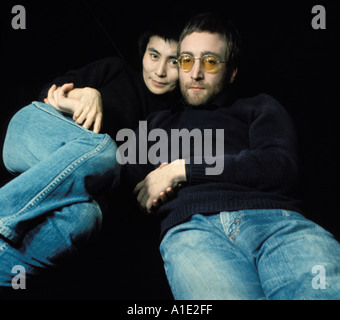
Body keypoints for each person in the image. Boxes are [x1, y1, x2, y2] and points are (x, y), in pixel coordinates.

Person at [127, 13, 340, 300]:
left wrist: (184, 169)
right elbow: (131, 189)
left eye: (211, 61)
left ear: (232, 72)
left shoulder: (259, 107)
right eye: (187, 60)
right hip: (193, 231)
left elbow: (280, 167)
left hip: (276, 222)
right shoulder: (156, 124)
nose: (196, 73)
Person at [0, 27, 181, 292]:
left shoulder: (174, 122)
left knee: (85, 217)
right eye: (154, 55)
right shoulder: (116, 69)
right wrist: (84, 95)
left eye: (174, 61)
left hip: (77, 181)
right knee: (106, 151)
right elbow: (50, 94)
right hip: (32, 132)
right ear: (143, 54)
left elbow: (133, 192)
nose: (160, 70)